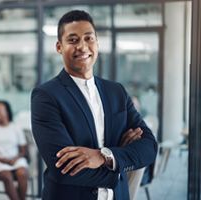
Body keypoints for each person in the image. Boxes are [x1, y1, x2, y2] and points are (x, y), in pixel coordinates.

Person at [31, 10, 158, 200]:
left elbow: (149, 147)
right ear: (59, 46)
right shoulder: (46, 96)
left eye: (88, 38)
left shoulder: (116, 92)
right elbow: (65, 169)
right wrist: (120, 161)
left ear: (97, 43)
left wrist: (104, 156)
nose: (82, 46)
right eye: (72, 40)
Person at [0, 100, 29, 200]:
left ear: (7, 111)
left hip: (15, 160)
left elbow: (23, 150)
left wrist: (15, 158)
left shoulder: (16, 127)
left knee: (22, 173)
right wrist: (2, 160)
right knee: (7, 177)